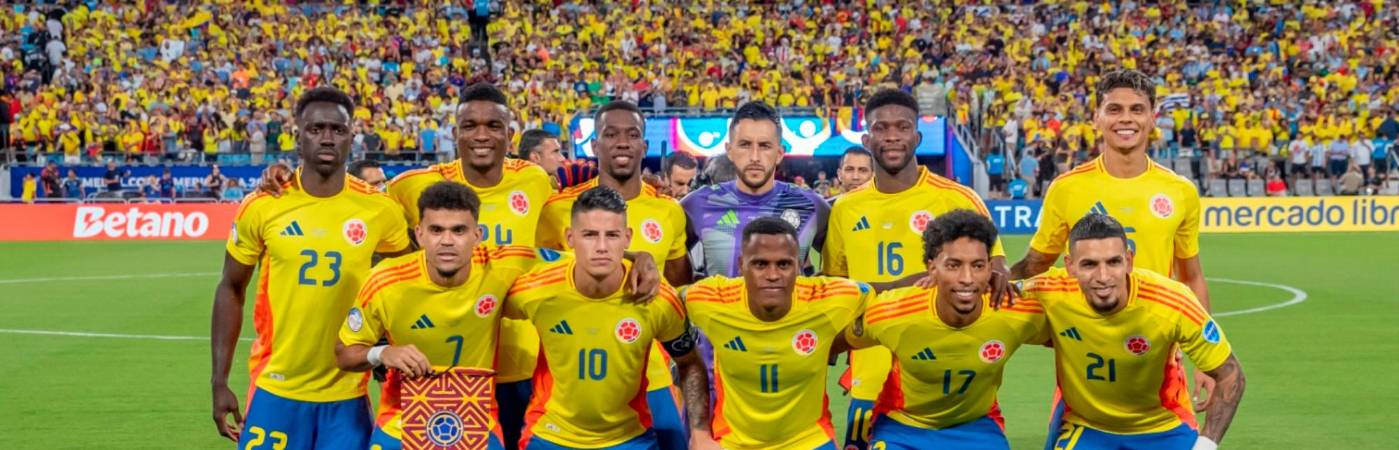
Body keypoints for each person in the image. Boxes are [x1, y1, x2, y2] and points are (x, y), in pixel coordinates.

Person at [210, 87, 414, 448]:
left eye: (338, 130)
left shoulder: (379, 209)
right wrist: (219, 381)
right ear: (297, 136)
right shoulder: (264, 204)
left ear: (352, 136)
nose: (327, 138)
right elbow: (231, 288)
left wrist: (386, 343)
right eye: (315, 128)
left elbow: (407, 282)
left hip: (348, 393)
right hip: (276, 387)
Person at [1010, 70, 1218, 413]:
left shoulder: (1179, 191)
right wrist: (992, 279)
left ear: (1153, 119)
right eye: (1114, 109)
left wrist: (1207, 359)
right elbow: (1035, 265)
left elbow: (1191, 277)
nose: (1126, 119)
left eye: (1137, 110)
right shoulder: (1067, 188)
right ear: (1097, 118)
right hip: (1087, 354)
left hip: (1159, 354)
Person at [822, 89, 1005, 450]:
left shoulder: (956, 198)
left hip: (940, 368)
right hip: (870, 368)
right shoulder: (844, 208)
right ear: (866, 138)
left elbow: (996, 272)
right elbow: (836, 290)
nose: (892, 136)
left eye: (902, 127)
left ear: (917, 137)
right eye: (881, 127)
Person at [505, 186, 717, 450]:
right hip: (550, 436)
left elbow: (689, 364)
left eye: (612, 235)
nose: (602, 247)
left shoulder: (657, 298)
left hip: (630, 439)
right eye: (590, 235)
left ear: (628, 238)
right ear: (570, 238)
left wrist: (700, 432)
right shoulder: (534, 289)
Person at [537, 100, 693, 450]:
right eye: (610, 134)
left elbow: (678, 288)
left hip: (652, 374)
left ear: (644, 146)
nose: (622, 142)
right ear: (594, 145)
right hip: (572, 379)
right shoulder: (558, 209)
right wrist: (633, 256)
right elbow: (540, 276)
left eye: (632, 134)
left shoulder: (668, 211)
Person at [337, 181, 539, 450]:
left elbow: (576, 262)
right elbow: (343, 353)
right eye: (436, 230)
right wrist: (382, 354)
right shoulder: (385, 280)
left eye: (458, 230)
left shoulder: (504, 266)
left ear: (477, 235)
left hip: (475, 418)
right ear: (419, 234)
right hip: (403, 419)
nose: (446, 241)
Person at [1023, 214, 1245, 450]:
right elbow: (990, 300)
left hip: (1164, 427)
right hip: (1086, 425)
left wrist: (1205, 446)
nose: (1103, 277)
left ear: (1129, 261)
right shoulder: (1048, 292)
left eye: (1113, 262)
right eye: (1089, 264)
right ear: (1070, 266)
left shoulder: (1172, 302)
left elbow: (1231, 375)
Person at [838, 210, 1046, 449]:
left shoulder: (1019, 311)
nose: (967, 278)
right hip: (903, 426)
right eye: (953, 265)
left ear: (991, 269)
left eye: (977, 266)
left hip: (976, 426)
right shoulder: (892, 312)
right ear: (932, 268)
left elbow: (1066, 334)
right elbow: (833, 344)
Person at [684, 217, 869, 449]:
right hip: (734, 442)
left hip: (809, 441)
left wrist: (842, 341)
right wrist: (699, 433)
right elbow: (661, 302)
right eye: (760, 264)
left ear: (800, 266)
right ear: (741, 265)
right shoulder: (709, 300)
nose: (772, 275)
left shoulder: (831, 298)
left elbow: (890, 302)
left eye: (784, 264)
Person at [682, 101, 830, 280]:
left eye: (764, 146)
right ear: (729, 151)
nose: (754, 157)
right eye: (745, 144)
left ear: (780, 153)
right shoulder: (697, 204)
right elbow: (673, 272)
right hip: (722, 308)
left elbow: (838, 272)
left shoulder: (812, 206)